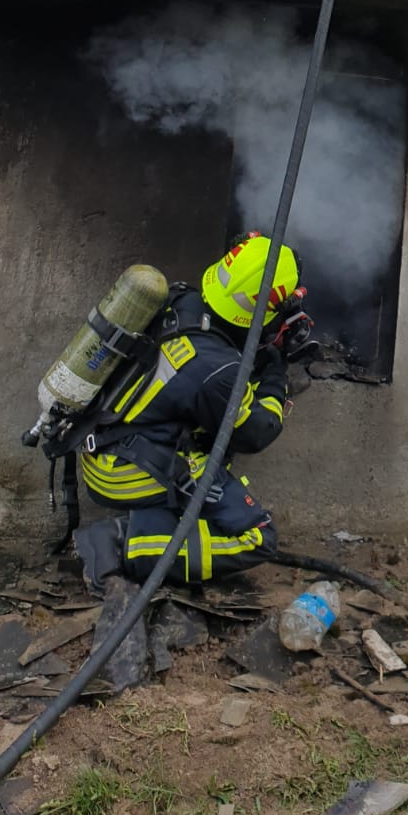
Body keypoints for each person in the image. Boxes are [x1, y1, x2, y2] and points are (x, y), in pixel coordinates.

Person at [72, 234, 306, 589]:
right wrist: (275, 373)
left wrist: (260, 346)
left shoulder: (183, 301)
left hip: (105, 449)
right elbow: (257, 432)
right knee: (258, 537)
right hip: (127, 471)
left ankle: (153, 525)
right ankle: (119, 543)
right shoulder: (217, 370)